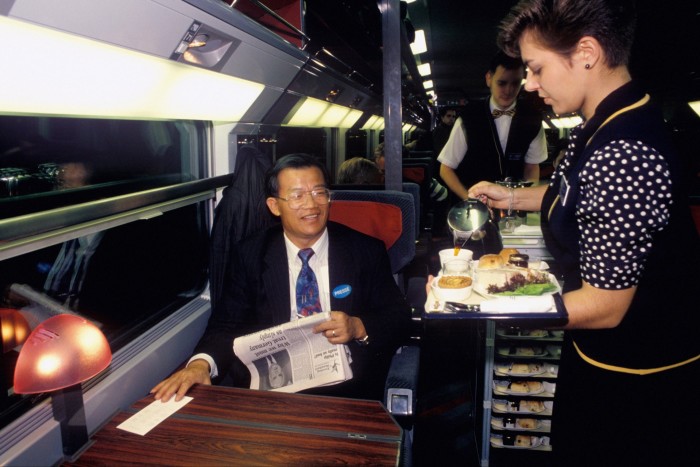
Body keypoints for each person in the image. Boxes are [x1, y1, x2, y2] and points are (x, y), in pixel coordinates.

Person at [469, 1, 700, 465]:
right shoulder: (597, 124)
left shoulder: (625, 151)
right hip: (598, 355)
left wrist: (486, 306)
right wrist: (511, 196)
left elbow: (605, 306)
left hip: (638, 377)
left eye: (536, 69)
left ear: (587, 52)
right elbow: (569, 193)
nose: (530, 84)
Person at [152, 153, 412, 402]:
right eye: (297, 195)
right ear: (274, 206)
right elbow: (226, 324)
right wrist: (200, 364)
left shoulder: (363, 249)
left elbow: (399, 317)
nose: (311, 205)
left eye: (319, 192)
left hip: (346, 387)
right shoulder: (250, 253)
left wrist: (357, 326)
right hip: (272, 390)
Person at [438, 50, 548, 202]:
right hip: (473, 204)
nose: (509, 91)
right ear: (489, 79)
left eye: (515, 83)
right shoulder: (469, 118)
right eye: (502, 83)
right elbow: (446, 169)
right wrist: (469, 199)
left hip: (513, 205)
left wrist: (524, 200)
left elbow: (531, 167)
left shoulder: (532, 119)